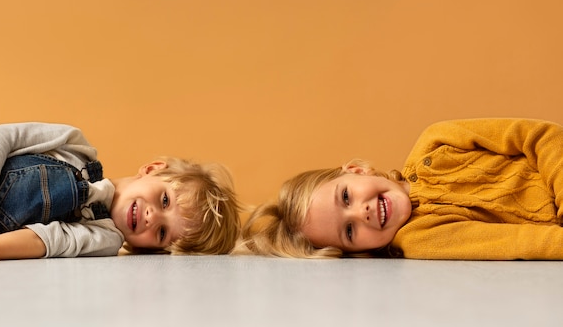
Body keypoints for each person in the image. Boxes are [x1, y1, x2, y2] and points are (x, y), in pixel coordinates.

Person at [234, 118, 563, 260]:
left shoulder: (437, 141)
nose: (359, 213)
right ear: (359, 252)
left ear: (356, 170)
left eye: (346, 197)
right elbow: (520, 242)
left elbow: (538, 136)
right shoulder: (420, 239)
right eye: (348, 231)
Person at [0, 122, 241, 263]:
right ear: (152, 169)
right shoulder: (75, 147)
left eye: (162, 233)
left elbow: (44, 241)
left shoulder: (104, 238)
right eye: (164, 200)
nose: (151, 217)